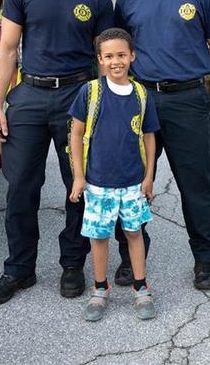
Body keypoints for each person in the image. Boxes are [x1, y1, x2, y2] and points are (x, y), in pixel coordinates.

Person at [0, 0, 114, 306]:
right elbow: (6, 50)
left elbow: (105, 58)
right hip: (29, 97)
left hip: (77, 95)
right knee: (21, 186)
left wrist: (109, 103)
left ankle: (73, 263)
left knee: (79, 185)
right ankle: (18, 270)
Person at [114, 0, 210, 290]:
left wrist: (189, 72)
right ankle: (131, 255)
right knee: (130, 181)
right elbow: (119, 48)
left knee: (195, 182)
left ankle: (205, 257)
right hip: (141, 99)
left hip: (187, 100)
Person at [68, 28, 160, 321]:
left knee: (134, 233)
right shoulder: (91, 92)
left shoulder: (142, 94)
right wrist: (79, 177)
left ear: (132, 56)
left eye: (121, 55)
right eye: (109, 56)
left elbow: (148, 137)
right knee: (99, 237)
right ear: (100, 59)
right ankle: (100, 288)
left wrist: (149, 177)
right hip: (98, 184)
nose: (116, 61)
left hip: (133, 182)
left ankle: (140, 287)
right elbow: (76, 133)